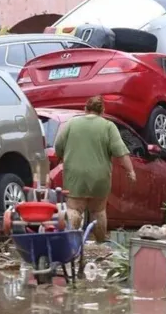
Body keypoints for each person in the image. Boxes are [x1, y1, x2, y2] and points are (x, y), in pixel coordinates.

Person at [53, 95, 135, 242]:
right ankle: (100, 244)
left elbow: (58, 147)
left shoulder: (72, 124)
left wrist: (59, 157)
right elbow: (121, 151)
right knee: (98, 211)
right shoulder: (108, 126)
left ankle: (70, 243)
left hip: (75, 175)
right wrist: (130, 171)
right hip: (100, 177)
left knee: (74, 209)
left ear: (85, 108)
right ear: (102, 110)